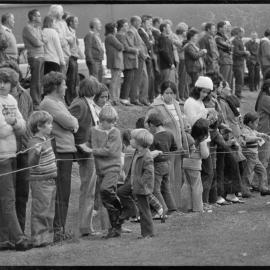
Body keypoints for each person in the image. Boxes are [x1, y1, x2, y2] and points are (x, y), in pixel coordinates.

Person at [39, 71, 79, 243]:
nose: (66, 86)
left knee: (65, 191)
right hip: (60, 151)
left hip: (66, 149)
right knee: (61, 192)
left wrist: (73, 122)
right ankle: (57, 231)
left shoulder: (58, 101)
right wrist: (73, 123)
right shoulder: (48, 103)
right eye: (64, 84)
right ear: (56, 86)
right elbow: (70, 122)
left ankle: (60, 228)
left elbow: (71, 121)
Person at [0, 67, 32, 251]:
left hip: (12, 155)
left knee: (6, 198)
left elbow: (22, 126)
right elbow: (1, 131)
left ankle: (4, 239)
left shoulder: (11, 100)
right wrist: (11, 124)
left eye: (6, 81)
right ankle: (19, 239)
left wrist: (11, 122)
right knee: (8, 199)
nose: (2, 85)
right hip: (1, 157)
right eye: (0, 81)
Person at [146, 81, 188, 209]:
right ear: (162, 93)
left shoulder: (176, 104)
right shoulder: (156, 107)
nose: (170, 96)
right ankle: (167, 207)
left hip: (177, 146)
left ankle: (175, 205)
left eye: (172, 93)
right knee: (168, 179)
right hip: (165, 148)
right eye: (167, 93)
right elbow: (147, 124)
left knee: (177, 177)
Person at [69, 78, 100, 237]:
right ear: (92, 89)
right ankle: (85, 227)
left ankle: (86, 226)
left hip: (93, 150)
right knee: (88, 190)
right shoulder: (80, 104)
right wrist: (81, 144)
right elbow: (73, 126)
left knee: (91, 190)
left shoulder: (88, 103)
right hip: (86, 152)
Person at [6, 62, 33, 233]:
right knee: (8, 195)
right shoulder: (4, 99)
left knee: (22, 194)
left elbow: (29, 122)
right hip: (7, 152)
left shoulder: (26, 96)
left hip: (23, 151)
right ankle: (9, 233)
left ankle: (20, 232)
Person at [89, 105, 122, 238]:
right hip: (100, 169)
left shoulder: (115, 132)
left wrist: (92, 151)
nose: (110, 124)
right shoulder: (94, 130)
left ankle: (122, 208)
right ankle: (114, 227)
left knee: (105, 190)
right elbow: (91, 144)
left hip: (113, 167)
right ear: (100, 120)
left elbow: (110, 151)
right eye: (107, 121)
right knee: (105, 198)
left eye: (113, 122)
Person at [184, 76, 215, 211]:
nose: (205, 94)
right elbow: (193, 123)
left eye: (207, 92)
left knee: (207, 173)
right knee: (206, 173)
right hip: (197, 141)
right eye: (203, 91)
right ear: (197, 89)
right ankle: (201, 203)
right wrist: (206, 112)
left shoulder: (199, 102)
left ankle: (202, 202)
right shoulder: (190, 102)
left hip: (203, 138)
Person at [27, 110, 57, 247]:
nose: (51, 126)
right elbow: (31, 163)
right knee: (41, 210)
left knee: (49, 210)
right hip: (40, 181)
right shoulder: (34, 142)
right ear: (39, 126)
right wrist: (37, 153)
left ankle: (47, 237)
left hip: (51, 180)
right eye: (49, 124)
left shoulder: (46, 140)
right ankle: (37, 239)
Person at [147, 113, 177, 215]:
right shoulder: (170, 134)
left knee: (155, 189)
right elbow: (174, 148)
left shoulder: (153, 137)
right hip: (168, 163)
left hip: (158, 165)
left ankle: (162, 209)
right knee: (166, 187)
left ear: (152, 124)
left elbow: (149, 153)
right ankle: (172, 207)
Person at [126, 128, 155, 238]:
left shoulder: (146, 155)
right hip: (138, 186)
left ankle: (148, 233)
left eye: (132, 139)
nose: (130, 140)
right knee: (143, 210)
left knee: (144, 211)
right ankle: (146, 233)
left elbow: (149, 172)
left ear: (139, 142)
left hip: (143, 188)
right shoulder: (137, 153)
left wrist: (141, 183)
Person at [180, 118, 209, 212]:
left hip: (185, 162)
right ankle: (197, 208)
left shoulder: (188, 137)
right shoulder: (202, 141)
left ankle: (187, 206)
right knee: (197, 186)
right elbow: (205, 155)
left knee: (187, 185)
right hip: (195, 165)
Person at [241, 112, 270, 195]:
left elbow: (258, 133)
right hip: (249, 155)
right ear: (250, 123)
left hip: (255, 156)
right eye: (256, 123)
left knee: (262, 170)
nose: (257, 124)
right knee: (248, 173)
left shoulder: (252, 130)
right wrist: (257, 138)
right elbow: (246, 138)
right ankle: (245, 191)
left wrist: (264, 135)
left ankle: (263, 188)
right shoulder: (245, 130)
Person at [22, 9, 45, 110]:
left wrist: (41, 41)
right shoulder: (27, 28)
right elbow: (37, 42)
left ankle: (38, 101)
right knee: (36, 81)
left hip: (41, 56)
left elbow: (43, 40)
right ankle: (35, 104)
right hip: (34, 57)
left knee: (40, 81)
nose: (40, 17)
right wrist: (41, 41)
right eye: (38, 15)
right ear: (33, 17)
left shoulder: (37, 28)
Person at [128, 16, 149, 106]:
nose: (140, 24)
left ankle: (142, 98)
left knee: (143, 78)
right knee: (137, 79)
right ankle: (134, 98)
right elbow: (132, 45)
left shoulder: (135, 31)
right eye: (139, 22)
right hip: (138, 58)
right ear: (135, 22)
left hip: (142, 58)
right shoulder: (131, 31)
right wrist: (142, 54)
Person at [116, 18, 138, 106]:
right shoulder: (120, 35)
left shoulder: (123, 35)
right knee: (128, 79)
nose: (127, 27)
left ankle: (125, 97)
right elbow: (125, 47)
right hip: (127, 59)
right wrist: (135, 50)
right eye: (125, 25)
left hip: (129, 59)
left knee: (130, 78)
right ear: (121, 27)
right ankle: (123, 98)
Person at [48, 5, 74, 74]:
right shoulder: (51, 25)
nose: (63, 14)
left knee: (63, 77)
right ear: (57, 13)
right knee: (58, 77)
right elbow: (59, 42)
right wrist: (67, 40)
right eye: (61, 12)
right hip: (57, 57)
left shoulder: (63, 23)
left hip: (66, 55)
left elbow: (72, 38)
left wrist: (66, 39)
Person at [105, 22, 124, 106]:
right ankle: (113, 98)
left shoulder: (111, 37)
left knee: (117, 80)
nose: (116, 29)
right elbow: (120, 46)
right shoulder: (110, 37)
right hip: (115, 61)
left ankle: (116, 98)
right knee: (115, 80)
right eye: (115, 28)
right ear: (112, 29)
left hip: (117, 61)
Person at [255, 79, 270, 184]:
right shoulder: (266, 99)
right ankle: (259, 183)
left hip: (264, 131)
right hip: (264, 133)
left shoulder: (263, 96)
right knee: (262, 160)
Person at [65, 15, 82, 106]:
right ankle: (69, 100)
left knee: (75, 80)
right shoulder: (68, 32)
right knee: (70, 80)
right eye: (76, 21)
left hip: (75, 57)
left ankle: (73, 98)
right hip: (71, 57)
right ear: (70, 23)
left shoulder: (73, 32)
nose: (77, 23)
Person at [138, 15, 155, 103]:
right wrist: (151, 41)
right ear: (143, 23)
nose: (150, 25)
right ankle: (144, 98)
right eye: (149, 22)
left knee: (150, 78)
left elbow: (152, 42)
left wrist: (151, 38)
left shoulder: (147, 32)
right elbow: (147, 44)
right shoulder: (141, 31)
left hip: (149, 57)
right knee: (146, 79)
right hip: (145, 57)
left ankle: (149, 97)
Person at [232, 27, 250, 99]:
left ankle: (238, 93)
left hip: (241, 62)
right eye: (242, 32)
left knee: (241, 79)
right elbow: (236, 52)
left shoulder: (240, 40)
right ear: (238, 32)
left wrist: (246, 53)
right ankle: (237, 94)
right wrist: (245, 52)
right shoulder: (235, 41)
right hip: (237, 63)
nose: (243, 34)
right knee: (239, 79)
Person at [84, 18, 104, 82]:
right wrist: (91, 61)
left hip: (99, 61)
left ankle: (97, 92)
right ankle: (94, 92)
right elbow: (88, 49)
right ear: (94, 25)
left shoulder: (96, 35)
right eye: (99, 24)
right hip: (94, 61)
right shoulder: (89, 35)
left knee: (99, 80)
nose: (101, 25)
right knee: (95, 80)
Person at [215, 21, 233, 89]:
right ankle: (222, 95)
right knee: (223, 80)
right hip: (224, 60)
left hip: (229, 60)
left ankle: (228, 95)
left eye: (227, 27)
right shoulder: (217, 37)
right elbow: (227, 46)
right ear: (220, 28)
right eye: (225, 27)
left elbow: (230, 46)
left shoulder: (225, 36)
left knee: (229, 80)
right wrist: (229, 46)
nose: (226, 29)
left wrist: (229, 45)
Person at [158, 22, 176, 86]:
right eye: (169, 27)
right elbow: (164, 52)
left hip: (168, 65)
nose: (170, 29)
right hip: (166, 66)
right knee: (166, 84)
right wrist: (170, 63)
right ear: (164, 28)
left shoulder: (166, 38)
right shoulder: (163, 38)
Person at [176, 22, 189, 101]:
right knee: (180, 78)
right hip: (180, 59)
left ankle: (182, 95)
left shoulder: (184, 39)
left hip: (184, 59)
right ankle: (179, 96)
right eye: (186, 31)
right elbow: (179, 50)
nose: (187, 32)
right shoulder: (177, 38)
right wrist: (185, 46)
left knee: (184, 79)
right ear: (182, 31)